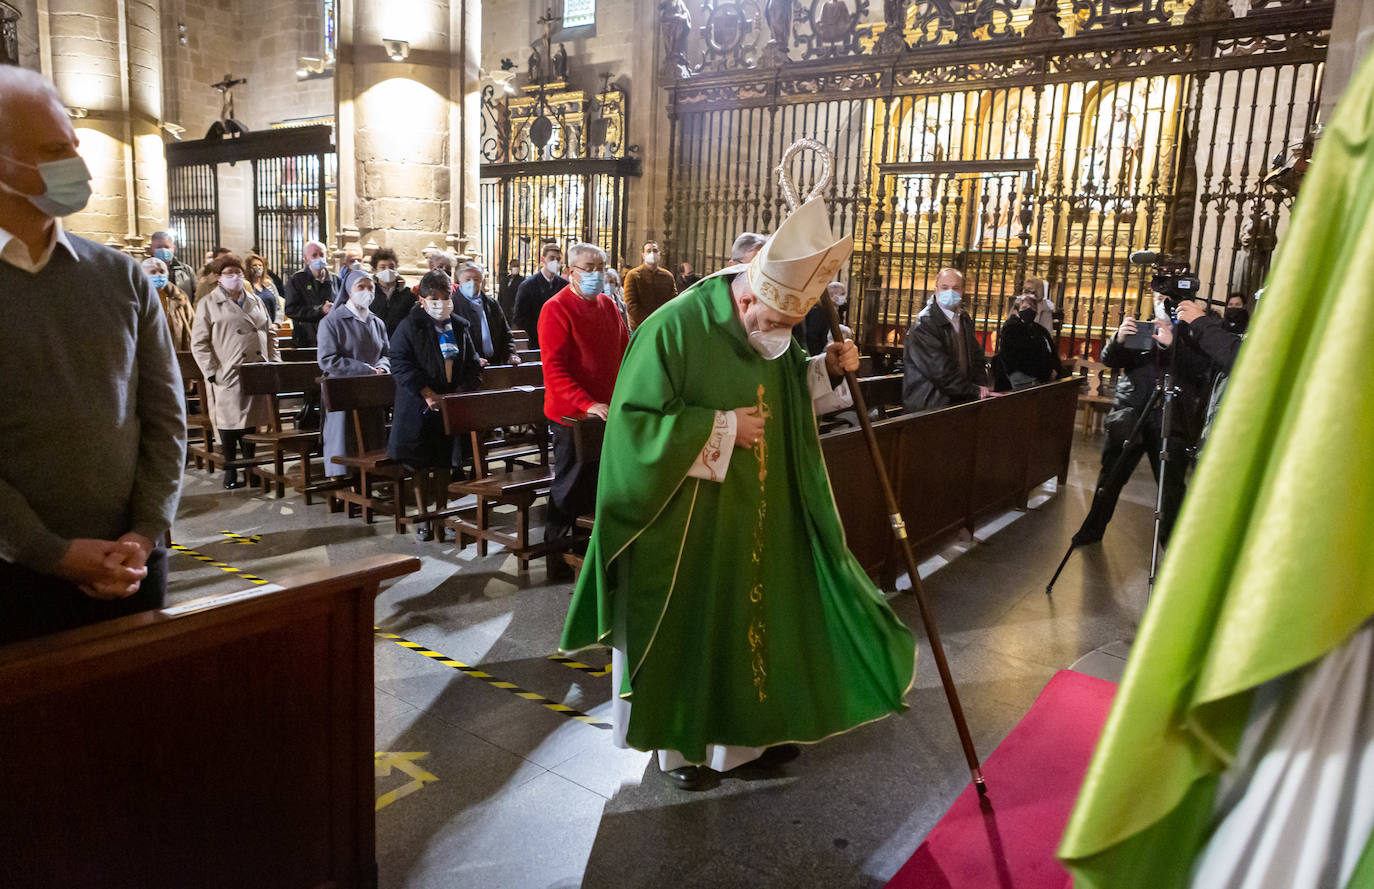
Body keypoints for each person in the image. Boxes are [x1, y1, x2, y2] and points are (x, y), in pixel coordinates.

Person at [560, 192, 915, 791]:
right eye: (774, 323)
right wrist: (720, 428)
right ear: (746, 296)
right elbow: (633, 427)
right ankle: (684, 750)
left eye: (788, 327)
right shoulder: (671, 328)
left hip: (759, 513)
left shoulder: (767, 330)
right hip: (683, 523)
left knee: (757, 620)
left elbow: (786, 388)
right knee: (694, 630)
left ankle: (747, 741)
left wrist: (827, 365)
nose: (778, 336)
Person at [0, 67, 186, 644]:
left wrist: (146, 532)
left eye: (73, 147)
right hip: (13, 579)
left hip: (133, 568)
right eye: (54, 150)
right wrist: (50, 553)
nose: (76, 165)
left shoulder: (119, 275)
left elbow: (164, 417)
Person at [1070, 291, 1212, 547]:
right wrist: (1118, 339)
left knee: (1171, 488)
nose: (1162, 302)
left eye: (1167, 297)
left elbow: (1203, 370)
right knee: (1111, 477)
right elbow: (1109, 359)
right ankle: (1092, 530)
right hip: (1133, 412)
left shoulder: (1193, 332)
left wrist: (1173, 345)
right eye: (1158, 297)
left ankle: (1172, 544)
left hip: (1171, 417)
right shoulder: (1141, 328)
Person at [538, 243, 630, 557]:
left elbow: (624, 355)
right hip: (572, 416)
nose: (595, 274)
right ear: (569, 272)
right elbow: (554, 369)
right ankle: (557, 551)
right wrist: (587, 403)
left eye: (600, 268)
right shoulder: (556, 307)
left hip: (607, 413)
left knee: (597, 482)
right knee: (570, 483)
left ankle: (585, 548)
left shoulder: (608, 305)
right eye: (588, 268)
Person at [387, 270, 483, 540]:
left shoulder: (460, 326)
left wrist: (460, 394)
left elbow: (472, 364)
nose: (440, 302)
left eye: (445, 297)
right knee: (420, 464)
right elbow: (400, 362)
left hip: (449, 406)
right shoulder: (410, 325)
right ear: (422, 300)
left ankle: (441, 512)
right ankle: (422, 516)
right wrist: (427, 392)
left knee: (444, 463)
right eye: (434, 298)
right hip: (418, 405)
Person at [190, 253, 280, 489]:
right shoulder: (209, 303)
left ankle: (250, 467)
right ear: (219, 277)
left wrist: (274, 363)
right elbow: (199, 342)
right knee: (230, 420)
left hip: (256, 367)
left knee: (251, 419)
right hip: (228, 369)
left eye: (238, 273)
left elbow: (269, 332)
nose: (235, 278)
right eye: (229, 274)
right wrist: (212, 371)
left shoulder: (254, 300)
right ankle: (231, 468)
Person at [318, 274, 390, 478]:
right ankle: (340, 477)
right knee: (342, 436)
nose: (367, 291)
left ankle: (369, 477)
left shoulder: (377, 322)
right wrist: (365, 369)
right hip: (343, 388)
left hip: (371, 389)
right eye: (361, 286)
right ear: (350, 290)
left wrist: (382, 368)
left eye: (371, 287)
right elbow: (327, 359)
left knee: (371, 433)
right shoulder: (332, 321)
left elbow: (386, 353)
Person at [901, 268, 994, 412]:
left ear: (962, 291)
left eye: (955, 288)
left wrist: (982, 387)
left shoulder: (963, 319)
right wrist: (975, 391)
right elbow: (940, 372)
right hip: (930, 404)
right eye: (945, 287)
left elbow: (976, 358)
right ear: (935, 289)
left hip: (958, 401)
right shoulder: (925, 324)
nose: (950, 292)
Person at [453, 261, 519, 366]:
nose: (472, 283)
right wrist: (473, 359)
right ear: (459, 281)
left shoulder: (491, 303)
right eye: (468, 279)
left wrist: (510, 354)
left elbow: (505, 333)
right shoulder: (453, 305)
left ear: (482, 281)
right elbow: (454, 342)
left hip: (494, 363)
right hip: (468, 368)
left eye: (476, 280)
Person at [996, 292, 1060, 390]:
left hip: (1043, 378)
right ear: (1017, 311)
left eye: (1033, 307)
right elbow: (1020, 358)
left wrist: (1055, 369)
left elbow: (1052, 351)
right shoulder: (1011, 329)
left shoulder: (1039, 329)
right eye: (1025, 307)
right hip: (1023, 380)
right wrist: (1046, 372)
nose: (1029, 310)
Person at [284, 240, 341, 347]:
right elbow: (291, 310)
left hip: (333, 338)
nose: (319, 258)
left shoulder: (337, 280)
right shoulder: (296, 280)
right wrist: (321, 310)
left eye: (322, 254)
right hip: (307, 339)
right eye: (314, 255)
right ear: (306, 259)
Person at [513, 242, 567, 349]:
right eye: (551, 258)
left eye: (558, 259)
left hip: (560, 339)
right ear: (543, 260)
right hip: (536, 340)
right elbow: (519, 317)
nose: (555, 262)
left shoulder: (564, 285)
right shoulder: (528, 285)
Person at [142, 256, 194, 351]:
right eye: (153, 272)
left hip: (174, 350)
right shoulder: (137, 298)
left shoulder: (179, 297)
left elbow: (191, 322)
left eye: (162, 271)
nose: (158, 275)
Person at [623, 239, 677, 330]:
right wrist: (649, 322)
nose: (652, 253)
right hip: (639, 326)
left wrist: (664, 320)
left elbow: (673, 300)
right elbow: (630, 304)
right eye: (648, 251)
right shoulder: (633, 275)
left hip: (662, 324)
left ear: (659, 254)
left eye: (655, 251)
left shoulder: (668, 276)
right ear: (643, 255)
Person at [370, 247, 416, 337]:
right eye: (382, 267)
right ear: (375, 271)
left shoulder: (407, 294)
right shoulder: (369, 293)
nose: (388, 270)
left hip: (399, 340)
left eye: (391, 267)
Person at [792, 281, 845, 356]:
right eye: (842, 294)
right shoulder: (818, 311)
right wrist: (817, 356)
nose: (844, 297)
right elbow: (813, 336)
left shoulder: (834, 310)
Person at [148, 230, 196, 297]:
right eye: (159, 247)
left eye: (166, 247)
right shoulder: (143, 271)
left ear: (173, 248)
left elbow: (196, 296)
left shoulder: (186, 271)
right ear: (151, 249)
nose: (163, 250)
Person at [245, 252, 280, 323]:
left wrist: (277, 323)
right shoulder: (246, 285)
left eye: (260, 265)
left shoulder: (269, 284)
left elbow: (278, 306)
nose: (258, 268)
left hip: (273, 326)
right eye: (254, 265)